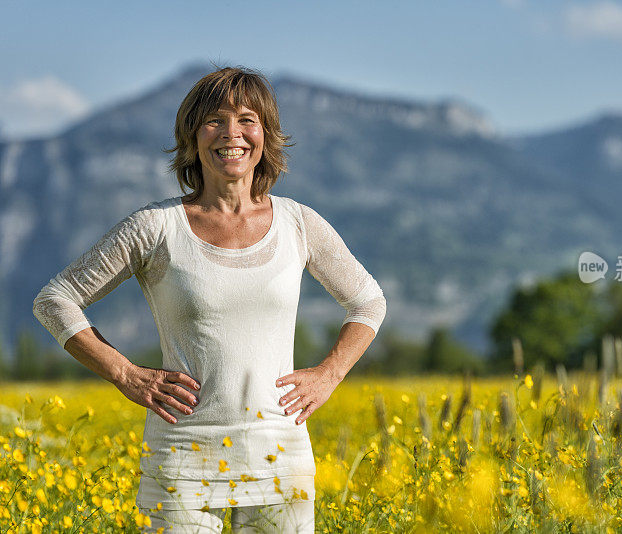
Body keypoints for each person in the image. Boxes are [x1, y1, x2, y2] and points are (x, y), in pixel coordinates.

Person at [32, 66, 387, 533]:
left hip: (279, 457)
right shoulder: (156, 226)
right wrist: (126, 374)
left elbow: (368, 301)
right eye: (214, 120)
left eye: (247, 119)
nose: (231, 134)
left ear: (266, 134)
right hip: (181, 461)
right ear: (193, 136)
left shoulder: (298, 223)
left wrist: (329, 373)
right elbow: (55, 299)